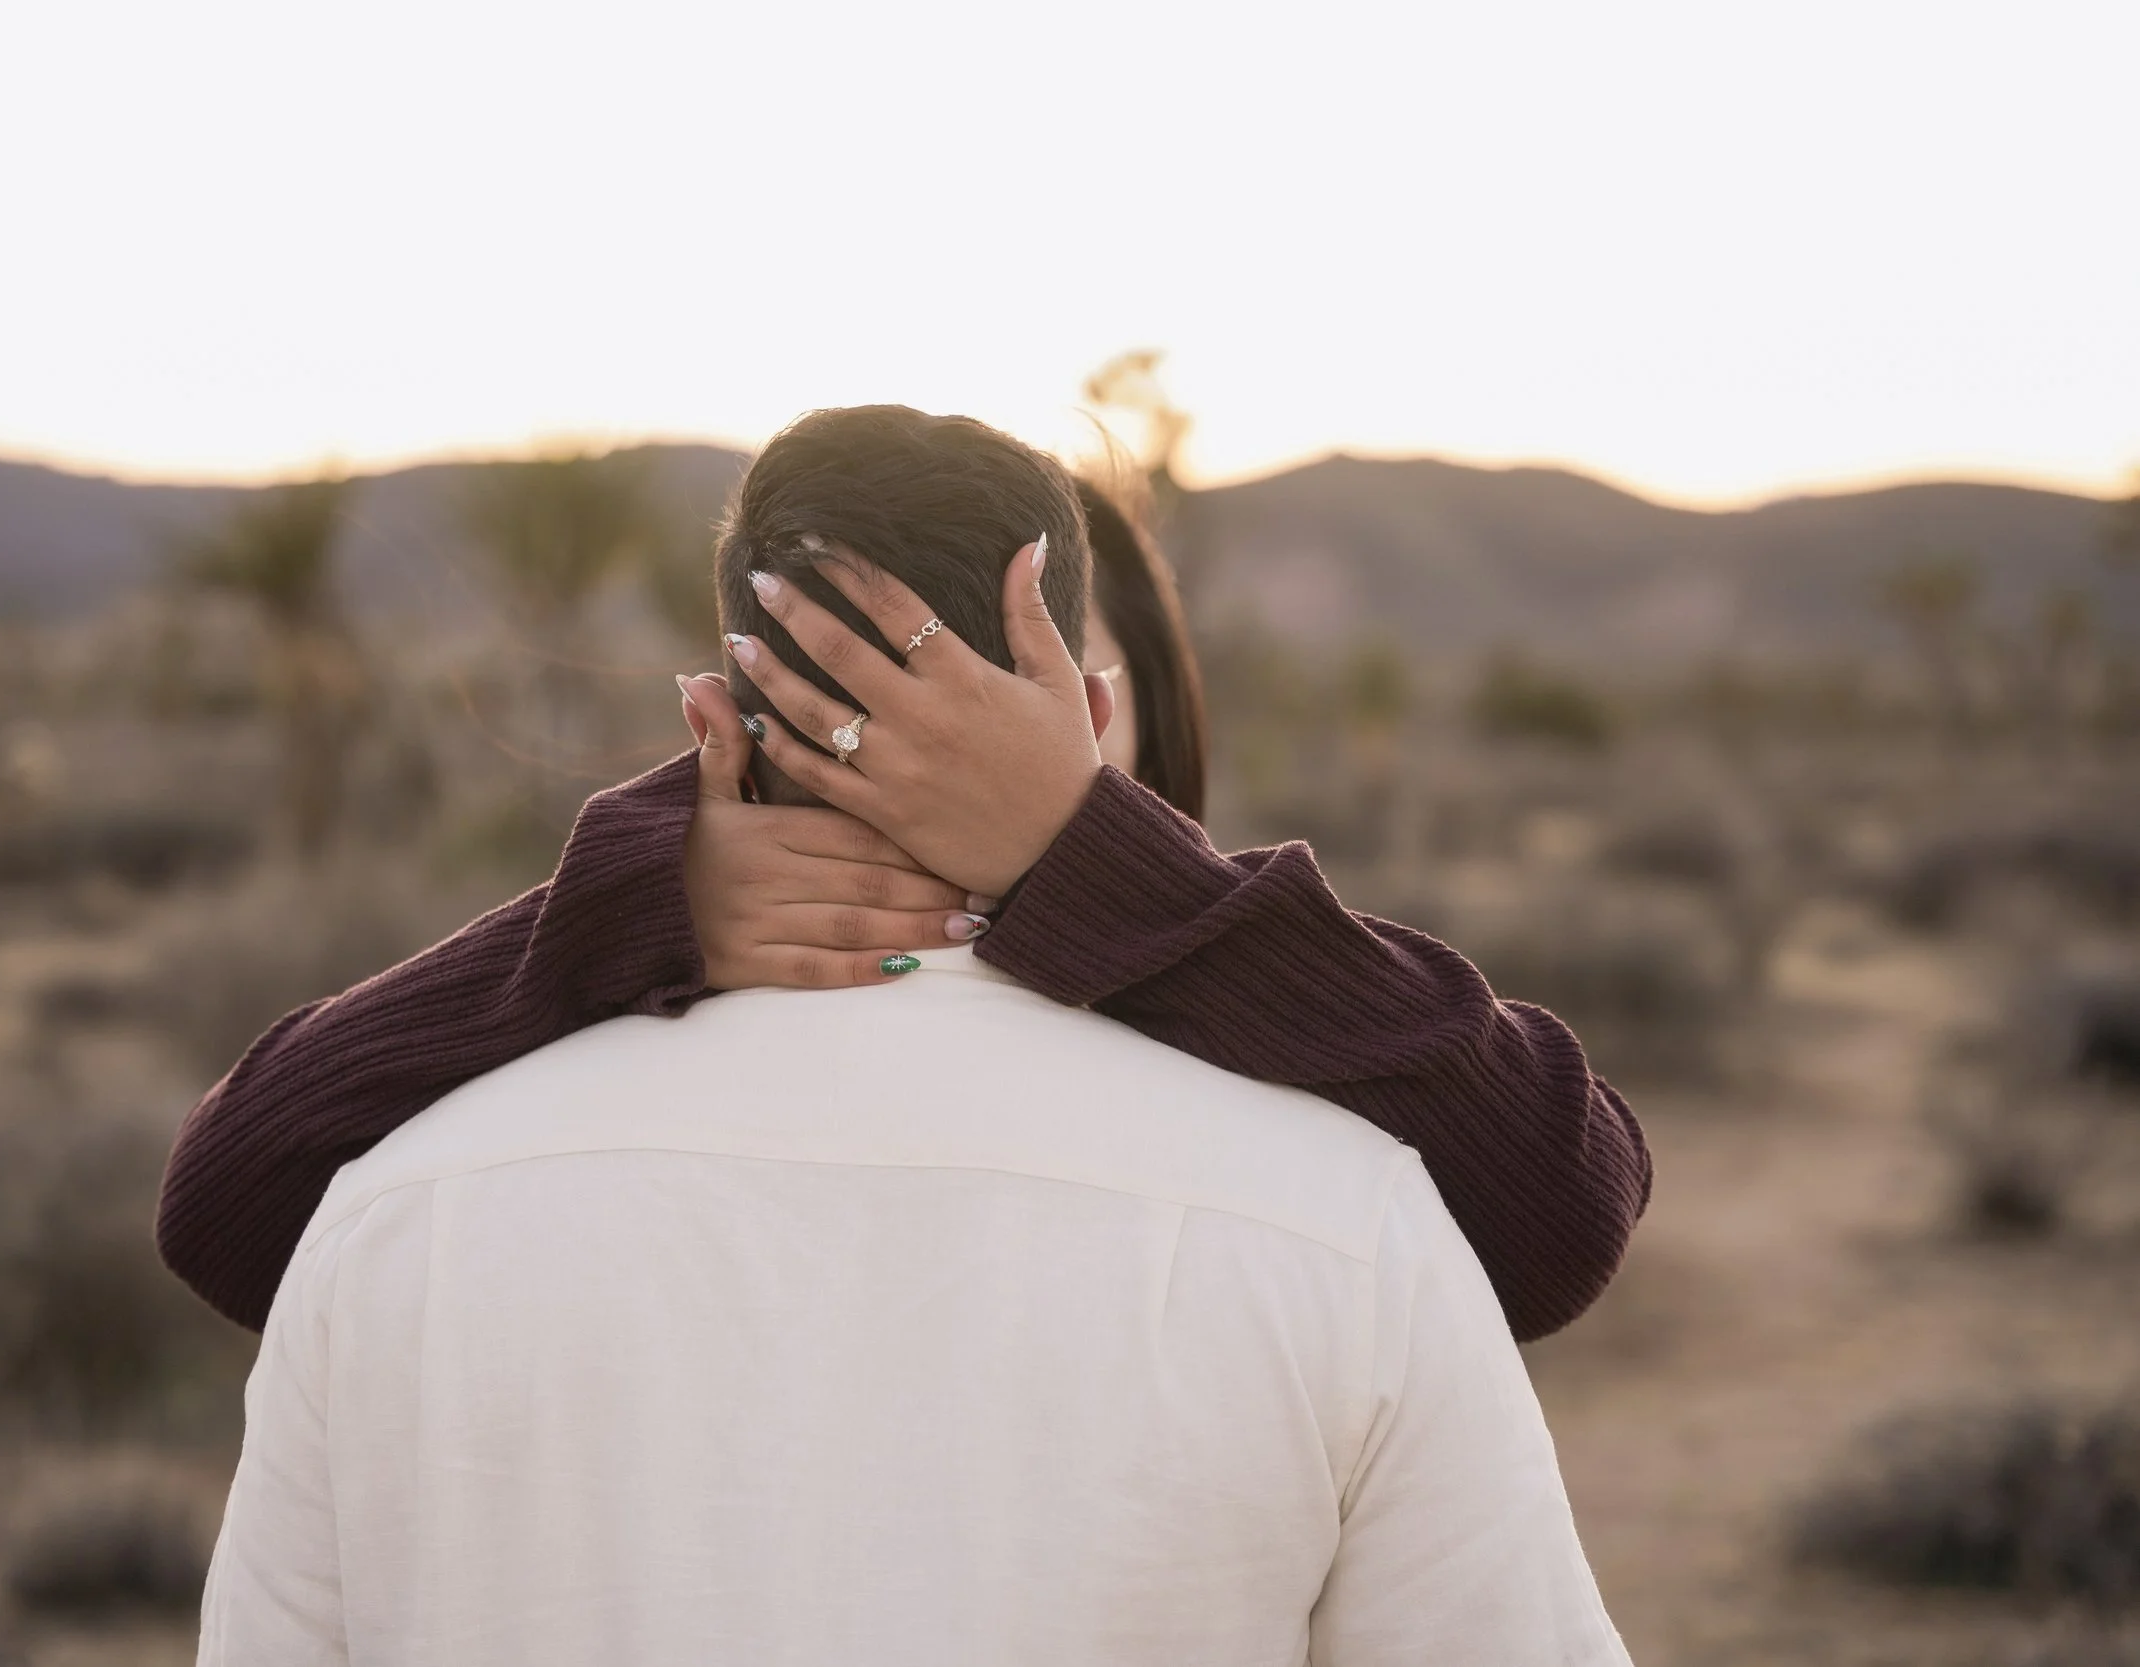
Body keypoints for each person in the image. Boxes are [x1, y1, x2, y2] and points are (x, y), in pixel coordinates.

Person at [197, 406, 1631, 1663]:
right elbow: (1563, 1195)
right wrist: (641, 909)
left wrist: (634, 895)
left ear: (712, 712)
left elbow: (236, 1200)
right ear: (1098, 711)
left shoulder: (397, 1213)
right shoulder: (1350, 1222)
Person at [157, 458, 1649, 1352]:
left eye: (1004, 704)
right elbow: (229, 1201)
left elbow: (1561, 1199)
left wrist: (1099, 864)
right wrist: (628, 910)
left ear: (1113, 711)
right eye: (873, 693)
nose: (935, 751)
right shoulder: (667, 979)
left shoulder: (1261, 1020)